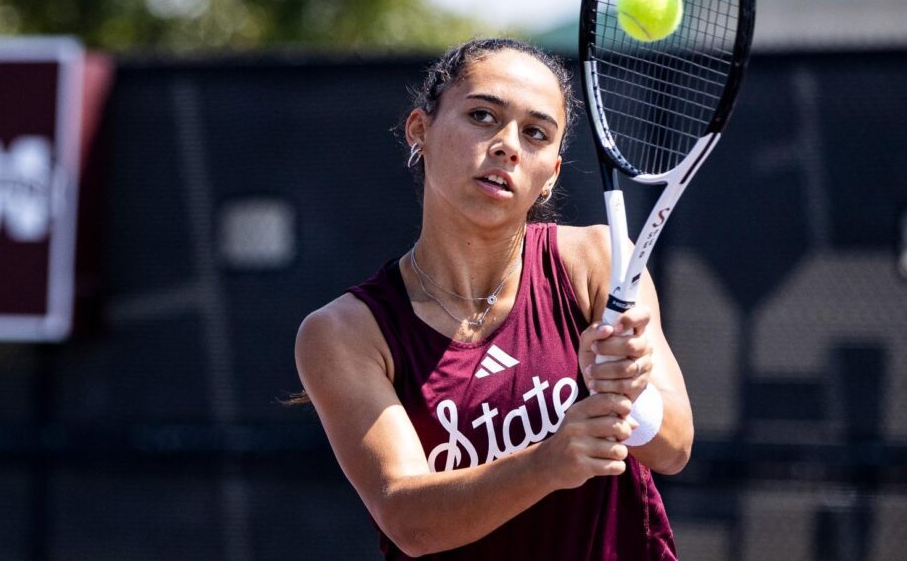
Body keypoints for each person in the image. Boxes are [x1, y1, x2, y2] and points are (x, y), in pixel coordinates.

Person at [294, 38, 692, 559]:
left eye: (535, 133)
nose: (507, 145)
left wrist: (630, 392)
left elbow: (674, 448)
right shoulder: (344, 333)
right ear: (421, 130)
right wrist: (547, 463)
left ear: (549, 175)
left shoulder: (596, 261)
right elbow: (408, 520)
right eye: (483, 115)